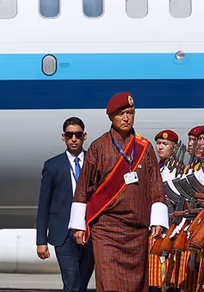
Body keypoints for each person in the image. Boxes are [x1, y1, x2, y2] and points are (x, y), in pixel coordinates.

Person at [69, 93, 167, 292]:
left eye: (130, 113)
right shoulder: (98, 147)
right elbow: (83, 187)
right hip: (106, 229)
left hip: (137, 230)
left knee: (136, 286)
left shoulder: (145, 148)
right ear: (110, 117)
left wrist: (158, 219)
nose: (126, 118)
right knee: (110, 284)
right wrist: (79, 225)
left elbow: (155, 184)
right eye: (120, 114)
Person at [36, 116, 94, 292]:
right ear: (63, 137)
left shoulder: (95, 163)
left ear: (84, 136)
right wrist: (41, 241)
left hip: (89, 232)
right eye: (69, 135)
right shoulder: (53, 166)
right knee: (72, 284)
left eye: (77, 134)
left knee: (82, 284)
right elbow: (43, 205)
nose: (73, 139)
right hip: (63, 233)